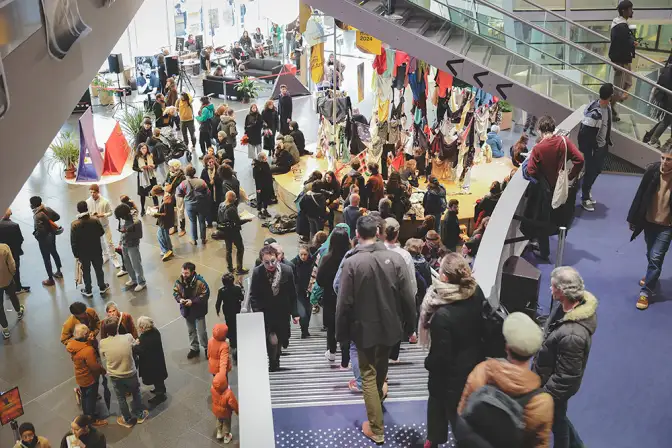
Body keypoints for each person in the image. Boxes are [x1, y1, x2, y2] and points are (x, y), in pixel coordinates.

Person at [336, 215, 416, 444]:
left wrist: (340, 336)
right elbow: (409, 297)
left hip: (364, 332)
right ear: (380, 232)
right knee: (380, 371)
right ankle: (377, 407)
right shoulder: (397, 259)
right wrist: (411, 326)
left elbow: (343, 304)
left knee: (369, 377)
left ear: (358, 235)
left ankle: (376, 428)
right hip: (391, 329)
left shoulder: (352, 263)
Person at [456, 312, 553, 448]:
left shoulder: (482, 372)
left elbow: (462, 412)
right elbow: (539, 443)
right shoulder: (541, 401)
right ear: (533, 354)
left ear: (507, 347)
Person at [419, 253, 485, 447]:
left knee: (445, 409)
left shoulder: (442, 316)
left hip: (449, 376)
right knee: (461, 411)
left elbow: (441, 357)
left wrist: (428, 363)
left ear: (445, 278)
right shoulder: (476, 291)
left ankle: (437, 439)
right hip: (474, 364)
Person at [533, 267, 598, 448]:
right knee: (558, 418)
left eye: (553, 286)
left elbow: (566, 378)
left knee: (557, 421)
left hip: (552, 389)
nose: (550, 290)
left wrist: (544, 396)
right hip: (548, 379)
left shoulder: (572, 335)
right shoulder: (564, 307)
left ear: (562, 291)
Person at [526, 115, 584, 259]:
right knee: (555, 218)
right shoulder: (564, 141)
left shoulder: (538, 148)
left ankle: (544, 252)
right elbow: (580, 159)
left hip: (545, 190)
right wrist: (570, 176)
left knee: (542, 220)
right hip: (559, 187)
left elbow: (531, 170)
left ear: (540, 130)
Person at [627, 141, 672, 310]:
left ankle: (646, 292)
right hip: (649, 220)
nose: (664, 162)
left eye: (669, 159)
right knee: (650, 252)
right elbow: (640, 195)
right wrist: (633, 218)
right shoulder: (652, 171)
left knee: (656, 257)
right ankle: (651, 274)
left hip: (667, 225)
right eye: (663, 158)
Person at [249, 245, 299, 371]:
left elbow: (293, 294)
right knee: (272, 341)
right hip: (266, 314)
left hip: (282, 312)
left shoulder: (287, 271)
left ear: (278, 258)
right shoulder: (258, 272)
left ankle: (276, 358)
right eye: (266, 262)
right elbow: (253, 295)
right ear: (262, 261)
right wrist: (258, 313)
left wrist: (295, 313)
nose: (270, 265)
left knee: (281, 338)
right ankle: (273, 362)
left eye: (273, 261)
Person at [99, 317, 149, 428]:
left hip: (115, 375)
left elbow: (103, 355)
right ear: (118, 327)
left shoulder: (103, 343)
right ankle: (140, 414)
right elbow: (134, 346)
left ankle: (127, 419)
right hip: (130, 372)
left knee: (121, 397)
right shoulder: (128, 337)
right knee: (136, 392)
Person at [317, 227, 352, 366]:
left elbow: (319, 280)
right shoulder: (350, 258)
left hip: (330, 297)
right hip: (347, 296)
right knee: (346, 325)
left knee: (331, 327)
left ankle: (331, 352)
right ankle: (345, 356)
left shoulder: (327, 258)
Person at [383, 217, 418, 353]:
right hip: (397, 301)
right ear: (397, 233)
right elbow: (411, 283)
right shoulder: (405, 255)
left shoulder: (374, 253)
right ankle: (394, 356)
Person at [578, 83, 614, 212]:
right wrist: (588, 150)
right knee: (590, 172)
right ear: (610, 96)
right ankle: (585, 197)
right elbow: (584, 133)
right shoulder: (594, 112)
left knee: (597, 170)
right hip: (593, 148)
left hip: (602, 145)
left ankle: (587, 191)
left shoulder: (608, 107)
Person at [66, 324, 106, 426]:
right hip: (90, 378)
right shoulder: (88, 350)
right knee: (91, 399)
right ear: (84, 335)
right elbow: (93, 366)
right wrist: (102, 370)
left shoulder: (72, 345)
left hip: (80, 376)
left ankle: (87, 414)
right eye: (88, 332)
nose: (90, 333)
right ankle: (91, 419)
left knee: (84, 397)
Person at [70, 201, 109, 298]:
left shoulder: (74, 224)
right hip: (96, 249)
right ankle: (102, 286)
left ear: (78, 210)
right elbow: (101, 232)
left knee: (86, 271)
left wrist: (76, 255)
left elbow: (73, 242)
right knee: (99, 269)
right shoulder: (94, 220)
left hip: (83, 253)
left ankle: (88, 290)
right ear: (87, 208)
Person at [174, 262, 211, 359]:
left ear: (193, 272)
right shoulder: (179, 281)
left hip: (198, 310)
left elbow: (205, 294)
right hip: (187, 311)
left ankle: (207, 348)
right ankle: (194, 348)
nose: (184, 275)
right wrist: (180, 299)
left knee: (201, 331)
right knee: (191, 331)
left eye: (186, 273)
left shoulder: (200, 282)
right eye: (182, 272)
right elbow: (175, 292)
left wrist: (193, 301)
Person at [608, 0, 636, 121]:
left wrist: (631, 43)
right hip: (621, 60)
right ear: (624, 11)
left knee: (627, 83)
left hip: (623, 59)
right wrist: (632, 44)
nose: (632, 11)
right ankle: (609, 109)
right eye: (630, 9)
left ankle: (612, 105)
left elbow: (621, 42)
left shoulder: (620, 24)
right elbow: (620, 43)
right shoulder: (621, 26)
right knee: (619, 89)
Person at [134, 316, 168, 405]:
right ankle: (160, 390)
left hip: (151, 364)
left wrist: (134, 346)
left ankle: (160, 396)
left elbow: (140, 351)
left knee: (156, 378)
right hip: (158, 360)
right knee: (159, 378)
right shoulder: (155, 331)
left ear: (142, 327)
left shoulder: (144, 338)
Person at [404, 238, 432, 345]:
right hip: (422, 294)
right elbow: (428, 281)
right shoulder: (424, 262)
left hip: (411, 292)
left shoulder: (407, 261)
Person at [30, 196, 63, 286]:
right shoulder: (47, 209)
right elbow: (57, 216)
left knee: (46, 258)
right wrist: (50, 223)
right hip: (52, 235)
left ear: (32, 205)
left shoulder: (37, 215)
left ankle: (50, 279)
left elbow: (41, 231)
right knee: (54, 252)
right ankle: (59, 271)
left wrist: (36, 235)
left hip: (44, 239)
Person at [86, 184, 121, 269]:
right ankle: (105, 256)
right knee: (100, 242)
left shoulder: (105, 201)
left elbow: (110, 212)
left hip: (105, 225)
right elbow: (87, 213)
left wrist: (103, 215)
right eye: (91, 192)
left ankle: (114, 258)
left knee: (109, 242)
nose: (92, 194)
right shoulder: (88, 202)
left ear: (98, 192)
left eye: (94, 192)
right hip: (95, 226)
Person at [114, 203, 146, 292]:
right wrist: (120, 242)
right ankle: (133, 279)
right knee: (127, 264)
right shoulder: (124, 220)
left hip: (133, 245)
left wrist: (127, 231)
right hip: (125, 244)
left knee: (136, 264)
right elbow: (122, 231)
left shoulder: (136, 222)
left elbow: (139, 235)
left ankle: (141, 282)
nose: (121, 219)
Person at [176, 165, 211, 245]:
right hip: (201, 204)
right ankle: (203, 239)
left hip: (190, 205)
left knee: (193, 222)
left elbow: (178, 194)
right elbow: (208, 192)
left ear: (186, 174)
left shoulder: (183, 183)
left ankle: (193, 240)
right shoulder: (201, 182)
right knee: (202, 222)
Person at [219, 191, 251, 274]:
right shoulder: (232, 208)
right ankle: (239, 269)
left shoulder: (221, 205)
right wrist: (247, 219)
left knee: (228, 250)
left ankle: (230, 268)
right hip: (233, 231)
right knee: (240, 248)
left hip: (225, 231)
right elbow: (238, 222)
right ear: (232, 198)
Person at [0, 209, 28, 293]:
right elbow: (20, 239)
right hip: (13, 251)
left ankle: (4, 287)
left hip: (2, 252)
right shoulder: (14, 225)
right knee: (15, 269)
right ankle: (17, 287)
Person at [216, 273, 244, 358]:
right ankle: (237, 340)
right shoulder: (237, 289)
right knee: (236, 324)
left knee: (229, 324)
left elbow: (218, 302)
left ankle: (232, 342)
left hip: (227, 311)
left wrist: (217, 310)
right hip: (236, 310)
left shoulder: (221, 291)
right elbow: (242, 298)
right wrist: (241, 287)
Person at [645, 63, 672, 149]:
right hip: (669, 98)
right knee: (666, 120)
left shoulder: (668, 68)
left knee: (666, 120)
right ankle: (653, 140)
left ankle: (651, 136)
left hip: (664, 97)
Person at [0, 243, 24, 339]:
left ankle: (5, 329)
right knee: (13, 296)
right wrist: (12, 273)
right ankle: (19, 311)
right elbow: (12, 264)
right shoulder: (4, 248)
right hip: (7, 279)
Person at [291, 245, 313, 338]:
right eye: (301, 254)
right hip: (298, 291)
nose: (303, 257)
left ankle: (306, 329)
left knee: (308, 311)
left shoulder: (312, 262)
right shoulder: (293, 263)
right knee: (302, 312)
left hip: (309, 289)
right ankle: (304, 330)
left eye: (305, 254)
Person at [211, 372, 239, 443]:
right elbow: (233, 403)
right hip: (226, 413)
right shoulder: (228, 393)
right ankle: (227, 436)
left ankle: (219, 432)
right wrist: (237, 411)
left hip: (217, 411)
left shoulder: (213, 389)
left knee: (219, 420)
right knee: (227, 423)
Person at [133, 143, 159, 216]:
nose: (144, 150)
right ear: (139, 149)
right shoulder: (137, 157)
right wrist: (141, 169)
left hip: (151, 176)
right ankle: (142, 209)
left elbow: (156, 164)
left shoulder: (150, 155)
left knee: (154, 192)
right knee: (142, 194)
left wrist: (153, 166)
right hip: (142, 177)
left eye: (145, 148)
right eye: (143, 148)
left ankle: (156, 208)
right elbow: (134, 167)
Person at [201, 155, 223, 227]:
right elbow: (202, 181)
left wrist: (215, 180)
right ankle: (209, 222)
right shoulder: (204, 171)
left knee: (218, 207)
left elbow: (221, 179)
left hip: (218, 193)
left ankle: (219, 221)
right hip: (209, 193)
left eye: (212, 162)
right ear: (206, 163)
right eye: (209, 162)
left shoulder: (218, 170)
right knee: (209, 208)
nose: (211, 163)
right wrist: (209, 183)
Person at [165, 159, 186, 236]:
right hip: (171, 195)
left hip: (179, 195)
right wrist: (166, 184)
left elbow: (182, 186)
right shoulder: (169, 174)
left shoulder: (181, 176)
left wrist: (171, 185)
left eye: (170, 166)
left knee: (180, 212)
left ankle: (183, 228)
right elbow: (166, 181)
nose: (169, 168)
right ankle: (175, 227)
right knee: (172, 211)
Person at [153, 192, 175, 261]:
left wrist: (155, 214)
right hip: (166, 221)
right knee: (165, 235)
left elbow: (164, 213)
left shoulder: (165, 201)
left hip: (164, 222)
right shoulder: (168, 197)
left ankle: (166, 251)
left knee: (161, 236)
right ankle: (169, 249)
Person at [253, 152, 274, 218]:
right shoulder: (256, 167)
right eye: (265, 157)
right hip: (261, 186)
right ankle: (259, 211)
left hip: (267, 184)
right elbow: (256, 178)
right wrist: (258, 188)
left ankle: (265, 210)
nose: (266, 158)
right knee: (260, 198)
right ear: (261, 159)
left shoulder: (265, 163)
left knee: (266, 198)